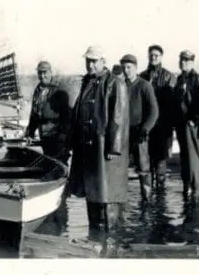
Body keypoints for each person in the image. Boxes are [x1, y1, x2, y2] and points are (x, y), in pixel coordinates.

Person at [67, 45, 129, 231]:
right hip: (89, 151)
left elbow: (119, 117)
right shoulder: (88, 83)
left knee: (108, 199)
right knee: (93, 196)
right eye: (88, 61)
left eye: (94, 61)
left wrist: (114, 147)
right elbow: (77, 114)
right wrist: (71, 141)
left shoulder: (114, 83)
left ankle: (111, 241)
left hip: (106, 151)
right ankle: (96, 238)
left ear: (103, 61)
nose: (90, 65)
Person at [173, 50, 199, 201]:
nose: (183, 62)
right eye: (181, 60)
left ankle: (196, 190)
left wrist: (195, 119)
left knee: (193, 158)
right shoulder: (180, 79)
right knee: (185, 157)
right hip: (181, 124)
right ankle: (187, 187)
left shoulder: (197, 79)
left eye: (186, 60)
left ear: (192, 62)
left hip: (191, 125)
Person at [120, 54, 159, 202]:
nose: (126, 70)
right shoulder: (120, 86)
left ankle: (147, 200)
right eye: (124, 67)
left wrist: (145, 129)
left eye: (129, 67)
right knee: (121, 167)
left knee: (143, 168)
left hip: (139, 134)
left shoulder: (144, 85)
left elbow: (154, 111)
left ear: (136, 68)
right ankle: (122, 200)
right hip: (123, 134)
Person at [139, 44, 175, 190]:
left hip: (162, 125)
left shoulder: (168, 76)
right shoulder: (142, 76)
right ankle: (148, 197)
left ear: (161, 57)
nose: (153, 58)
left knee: (160, 160)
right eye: (151, 55)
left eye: (156, 55)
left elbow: (172, 103)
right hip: (146, 125)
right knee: (146, 160)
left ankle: (160, 198)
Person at [25, 61, 71, 164]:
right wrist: (30, 133)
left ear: (51, 72)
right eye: (40, 73)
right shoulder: (38, 90)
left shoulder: (59, 89)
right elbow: (34, 114)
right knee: (48, 163)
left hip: (57, 137)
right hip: (44, 136)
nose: (42, 76)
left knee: (59, 164)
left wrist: (63, 135)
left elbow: (67, 115)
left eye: (45, 72)